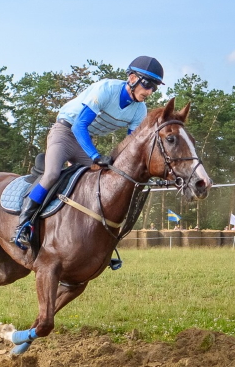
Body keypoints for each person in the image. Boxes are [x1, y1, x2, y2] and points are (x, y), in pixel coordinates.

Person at [14, 56, 163, 249]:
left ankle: (91, 243)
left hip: (84, 140)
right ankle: (24, 225)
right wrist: (95, 156)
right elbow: (79, 126)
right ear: (133, 78)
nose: (150, 91)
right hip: (66, 132)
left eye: (155, 87)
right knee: (51, 174)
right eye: (148, 84)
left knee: (100, 184)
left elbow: (130, 147)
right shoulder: (106, 89)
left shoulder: (139, 110)